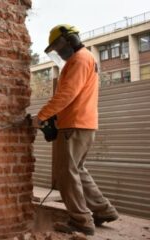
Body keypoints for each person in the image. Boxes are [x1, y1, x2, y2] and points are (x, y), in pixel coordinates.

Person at [31, 24, 119, 235]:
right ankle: (103, 210)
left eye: (60, 45)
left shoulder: (79, 60)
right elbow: (73, 95)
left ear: (71, 40)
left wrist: (41, 116)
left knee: (66, 174)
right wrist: (53, 116)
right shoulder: (83, 59)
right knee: (77, 170)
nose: (59, 51)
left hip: (74, 125)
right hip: (83, 124)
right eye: (55, 48)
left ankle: (81, 221)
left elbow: (66, 94)